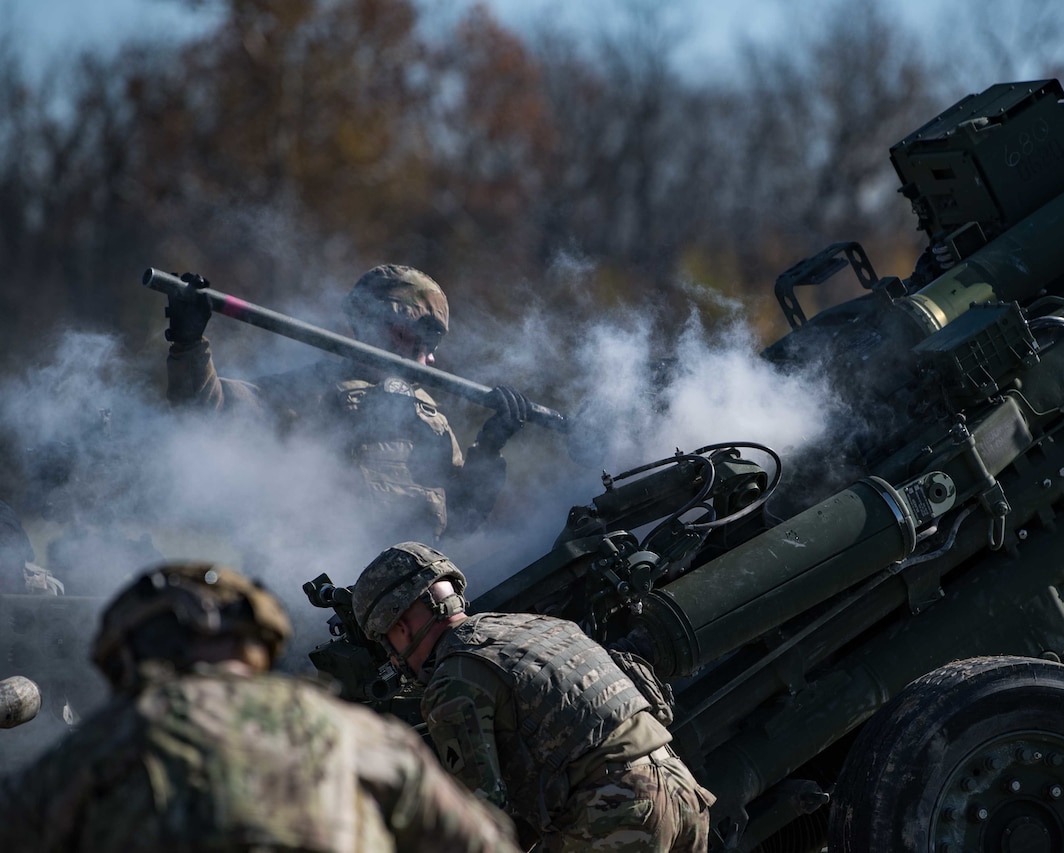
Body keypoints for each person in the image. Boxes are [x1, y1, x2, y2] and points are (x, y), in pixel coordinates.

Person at [0, 561, 521, 853]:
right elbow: (482, 845)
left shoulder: (102, 743)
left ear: (133, 650)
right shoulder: (353, 732)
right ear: (257, 643)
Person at [351, 541, 716, 853]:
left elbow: (481, 819)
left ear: (399, 628)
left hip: (617, 812)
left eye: (387, 644)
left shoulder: (453, 680)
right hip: (682, 791)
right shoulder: (537, 626)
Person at [164, 264, 530, 542]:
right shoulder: (310, 391)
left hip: (418, 609)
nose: (431, 359)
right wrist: (189, 343)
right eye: (427, 339)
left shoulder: (426, 415)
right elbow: (202, 413)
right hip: (330, 594)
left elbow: (461, 518)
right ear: (394, 326)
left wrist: (491, 445)